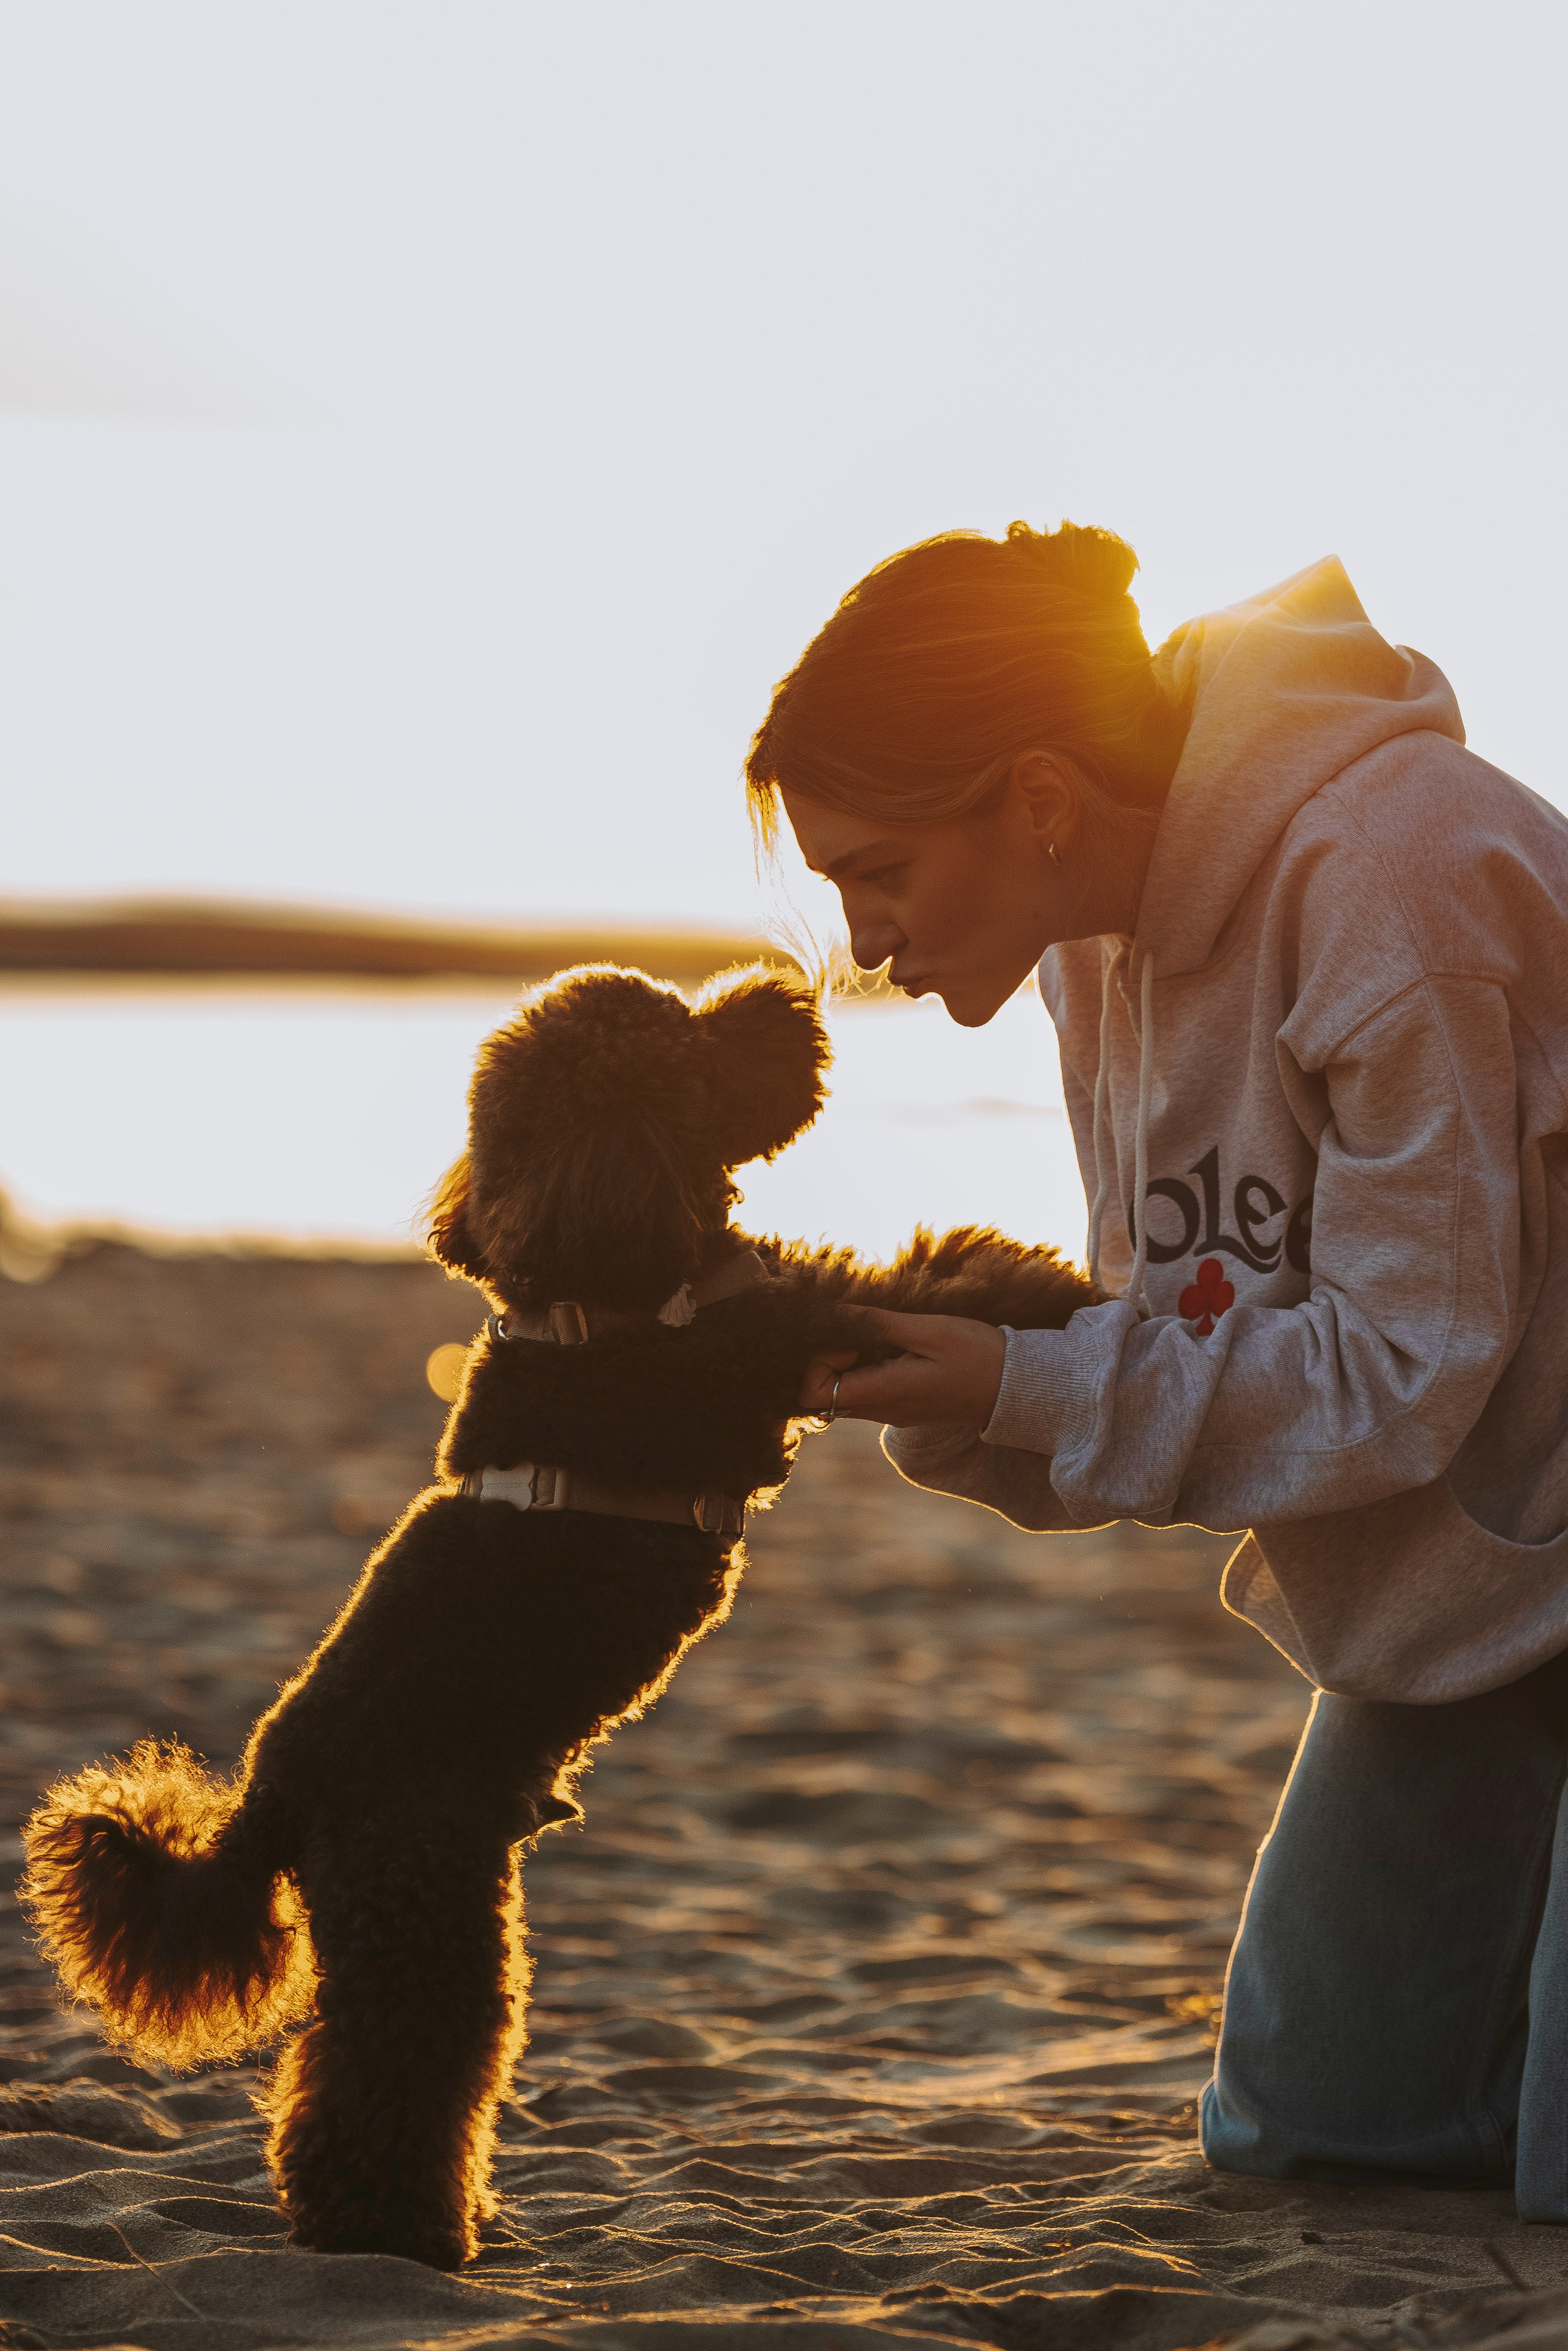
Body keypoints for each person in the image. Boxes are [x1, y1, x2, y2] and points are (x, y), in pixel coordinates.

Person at [744, 519, 1568, 2217]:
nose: (868, 942)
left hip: (1513, 1520)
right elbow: (1204, 1317)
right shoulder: (1087, 943)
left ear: (1040, 797)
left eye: (879, 872)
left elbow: (1403, 1371)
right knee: (1309, 2143)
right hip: (1487, 1584)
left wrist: (1023, 1386)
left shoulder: (1392, 880)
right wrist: (984, 1374)